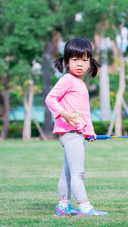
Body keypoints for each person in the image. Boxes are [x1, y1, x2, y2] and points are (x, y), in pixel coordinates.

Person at [45, 38, 108, 216]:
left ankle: (63, 207)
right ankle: (85, 208)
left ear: (90, 62)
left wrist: (90, 132)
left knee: (67, 173)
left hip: (75, 134)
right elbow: (50, 98)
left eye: (84, 59)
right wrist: (63, 114)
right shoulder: (68, 80)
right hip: (70, 133)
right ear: (66, 61)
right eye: (75, 59)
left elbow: (83, 112)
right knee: (78, 173)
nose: (80, 64)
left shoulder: (79, 83)